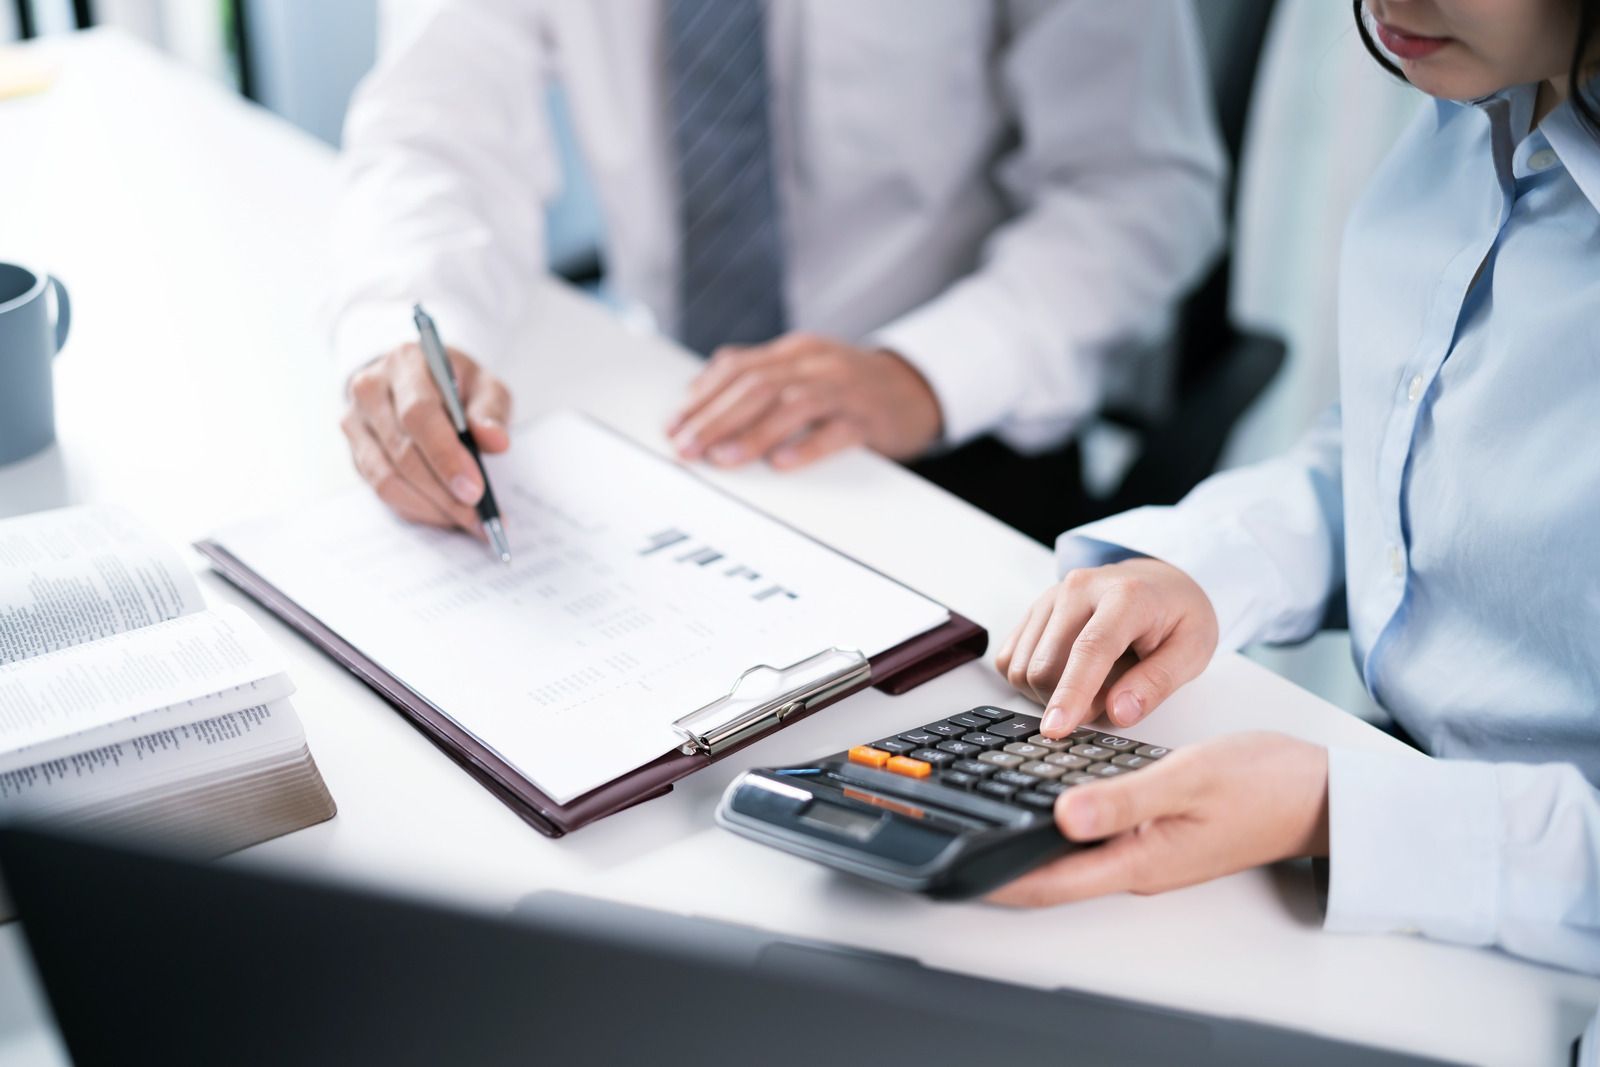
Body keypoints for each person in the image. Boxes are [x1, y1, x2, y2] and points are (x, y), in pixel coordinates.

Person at [987, 0, 1600, 981]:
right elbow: (1410, 454)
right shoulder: (1474, 116)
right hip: (1413, 815)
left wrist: (1334, 810)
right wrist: (1202, 567)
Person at [330, 0, 1225, 539]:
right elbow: (433, 134)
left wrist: (923, 373)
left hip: (950, 432)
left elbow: (1144, 184)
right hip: (674, 412)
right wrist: (403, 336)